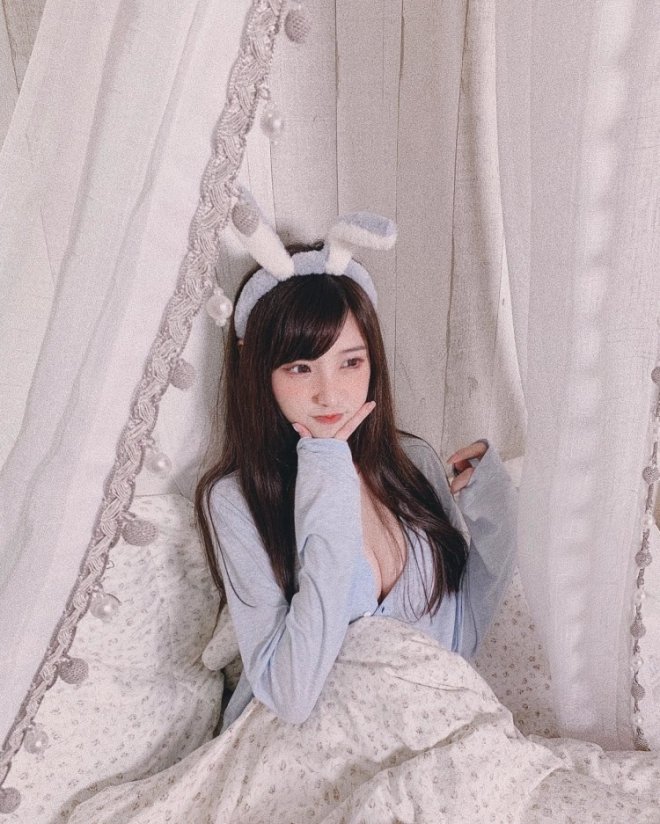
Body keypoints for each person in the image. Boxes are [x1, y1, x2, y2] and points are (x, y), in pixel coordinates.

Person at [194, 208, 519, 731]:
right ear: (257, 369)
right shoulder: (236, 499)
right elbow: (291, 694)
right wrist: (326, 471)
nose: (330, 393)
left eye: (351, 362)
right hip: (303, 745)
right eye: (300, 367)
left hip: (421, 733)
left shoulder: (411, 463)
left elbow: (461, 639)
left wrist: (495, 506)